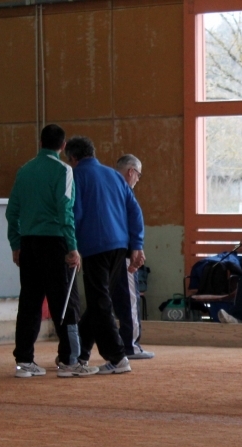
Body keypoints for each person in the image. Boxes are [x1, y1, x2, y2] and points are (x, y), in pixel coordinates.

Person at [6, 124, 98, 378]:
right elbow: (65, 211)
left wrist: (16, 244)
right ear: (63, 145)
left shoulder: (24, 171)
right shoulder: (64, 170)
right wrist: (73, 247)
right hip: (55, 243)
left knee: (30, 302)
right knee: (66, 301)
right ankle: (69, 360)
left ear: (40, 142)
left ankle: (24, 361)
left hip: (29, 243)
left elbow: (12, 212)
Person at [65, 136, 145, 375]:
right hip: (119, 247)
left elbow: (74, 214)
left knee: (100, 302)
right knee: (99, 301)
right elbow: (135, 211)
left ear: (73, 158)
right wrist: (137, 245)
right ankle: (80, 354)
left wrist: (71, 246)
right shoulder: (114, 175)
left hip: (94, 247)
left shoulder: (77, 177)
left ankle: (118, 357)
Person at [110, 154, 154, 360]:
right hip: (124, 252)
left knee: (103, 300)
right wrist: (137, 248)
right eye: (139, 174)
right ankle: (131, 345)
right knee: (129, 300)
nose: (138, 179)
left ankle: (80, 346)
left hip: (103, 253)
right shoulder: (125, 190)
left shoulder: (107, 187)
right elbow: (135, 219)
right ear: (131, 172)